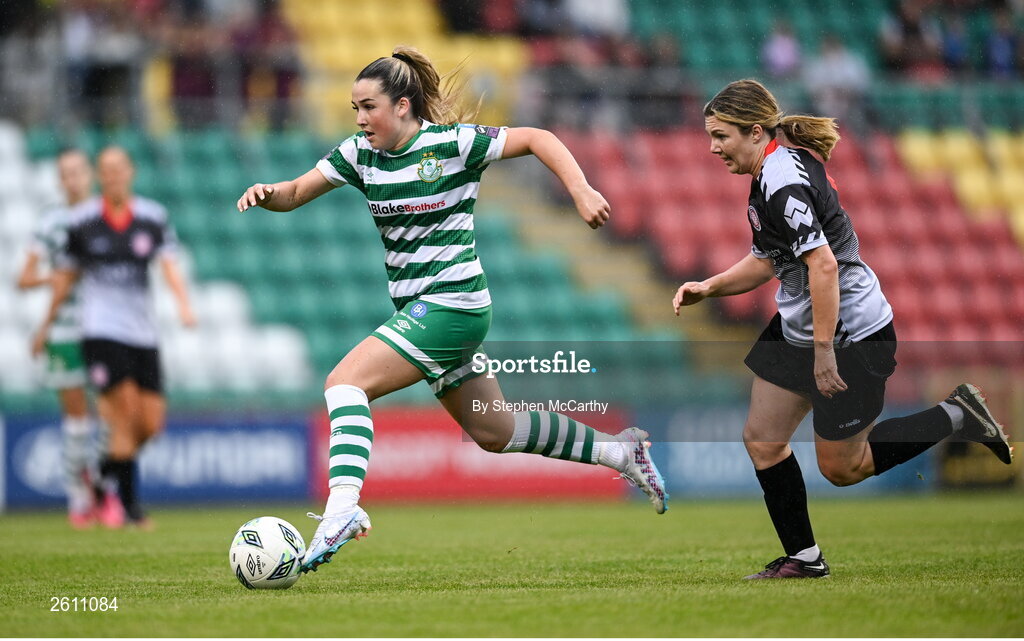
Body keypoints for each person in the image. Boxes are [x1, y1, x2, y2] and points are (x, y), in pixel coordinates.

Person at [236, 46, 668, 573]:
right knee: (496, 432)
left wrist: (580, 190)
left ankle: (342, 509)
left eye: (368, 106)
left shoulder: (452, 145)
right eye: (354, 108)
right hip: (427, 308)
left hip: (454, 304)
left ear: (402, 105)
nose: (359, 119)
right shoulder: (357, 153)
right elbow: (297, 191)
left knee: (344, 384)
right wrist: (268, 192)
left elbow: (538, 138)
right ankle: (620, 453)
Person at [673, 79, 1013, 579]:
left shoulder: (781, 180)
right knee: (763, 438)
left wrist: (825, 352)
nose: (713, 147)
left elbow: (825, 267)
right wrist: (711, 286)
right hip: (799, 326)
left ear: (752, 131)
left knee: (842, 468)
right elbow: (771, 260)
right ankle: (805, 560)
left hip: (851, 334)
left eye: (721, 136)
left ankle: (955, 416)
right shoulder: (771, 169)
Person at [33, 146, 196, 529]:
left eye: (119, 169)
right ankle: (130, 506)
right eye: (105, 170)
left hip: (143, 333)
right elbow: (65, 277)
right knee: (124, 413)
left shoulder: (152, 217)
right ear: (99, 176)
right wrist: (45, 325)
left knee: (150, 424)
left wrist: (184, 304)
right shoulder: (83, 220)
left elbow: (168, 263)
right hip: (101, 331)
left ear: (131, 172)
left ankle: (103, 472)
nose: (113, 176)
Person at [17, 148, 97, 529]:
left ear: (90, 174)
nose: (72, 179)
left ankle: (101, 490)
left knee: (112, 417)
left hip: (104, 327)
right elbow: (24, 278)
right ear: (58, 179)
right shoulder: (51, 222)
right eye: (65, 173)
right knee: (78, 417)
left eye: (78, 171)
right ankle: (78, 497)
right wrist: (60, 277)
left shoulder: (104, 215)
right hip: (66, 329)